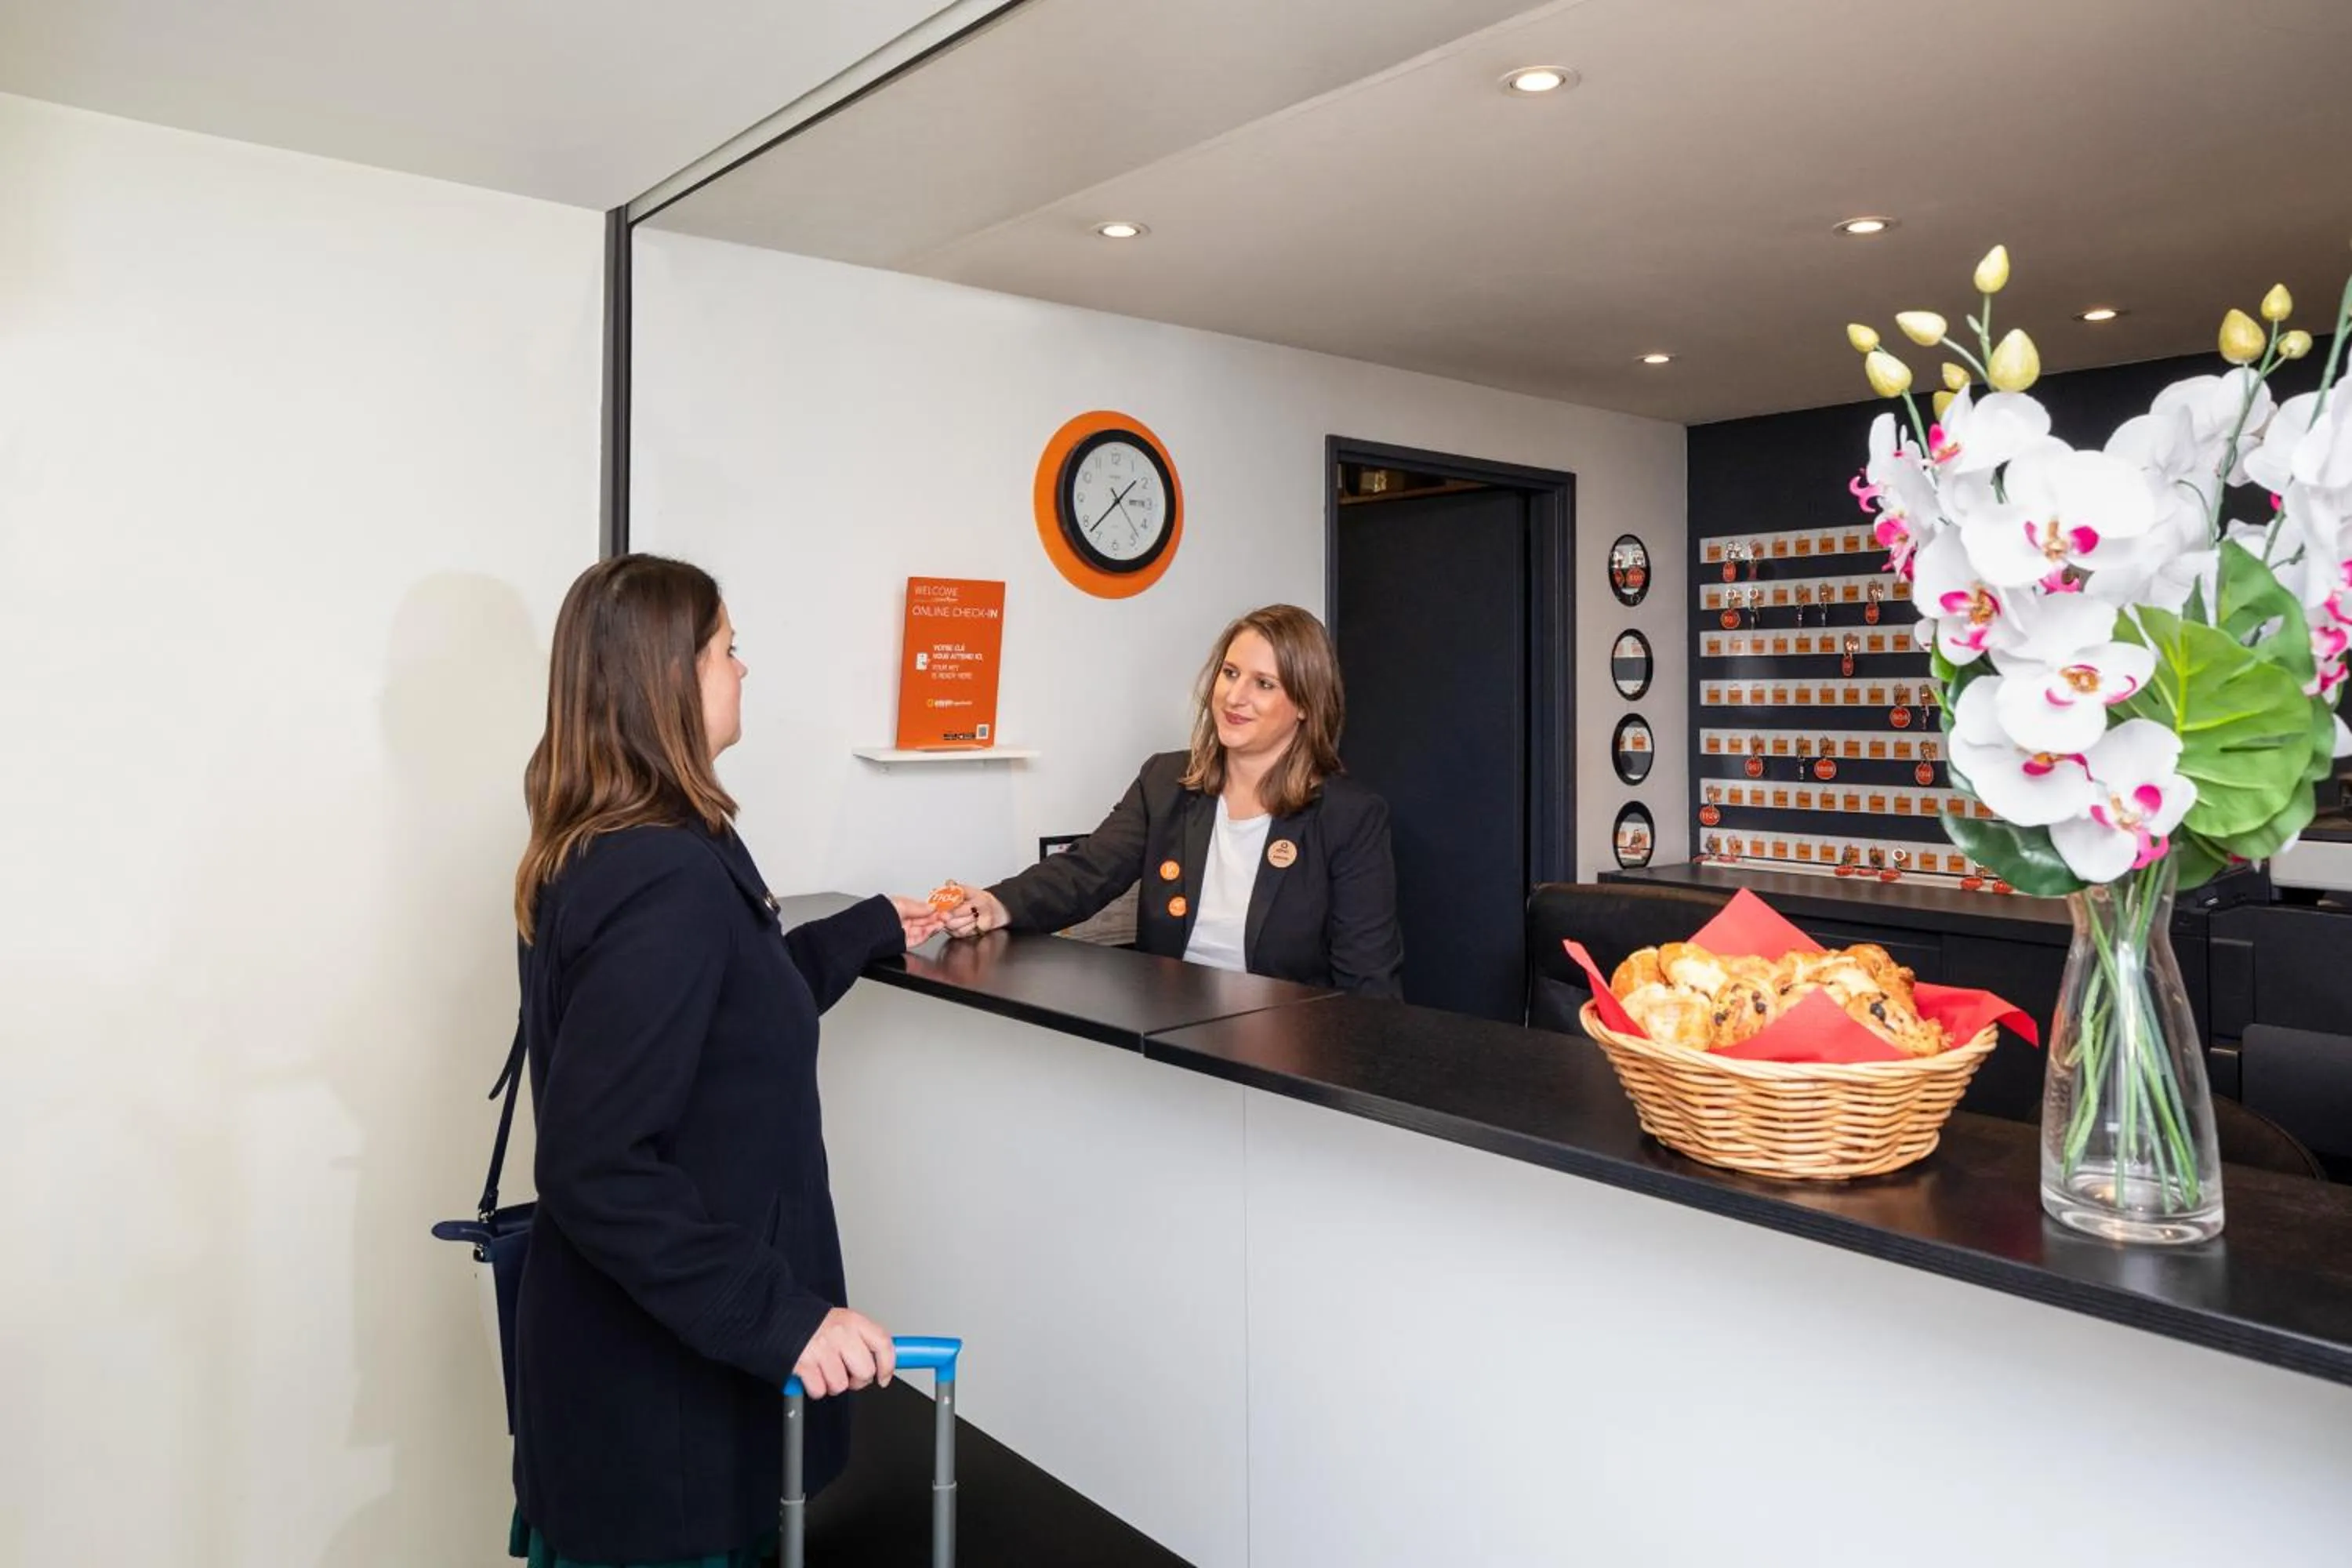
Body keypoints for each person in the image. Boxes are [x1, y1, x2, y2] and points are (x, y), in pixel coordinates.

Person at [507, 554, 945, 1566]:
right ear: (669, 675)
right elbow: (597, 1165)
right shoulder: (663, 873)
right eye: (727, 649)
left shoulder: (619, 843)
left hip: (635, 1391)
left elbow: (728, 1009)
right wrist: (783, 1318)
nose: (744, 670)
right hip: (660, 1414)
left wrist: (868, 927)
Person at [941, 604, 1403, 997]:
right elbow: (1086, 872)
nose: (1235, 697)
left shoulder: (1350, 817)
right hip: (1172, 1038)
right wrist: (998, 904)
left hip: (1288, 1060)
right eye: (1230, 673)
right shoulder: (1165, 780)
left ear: (1305, 703)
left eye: (1264, 684)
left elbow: (1368, 980)